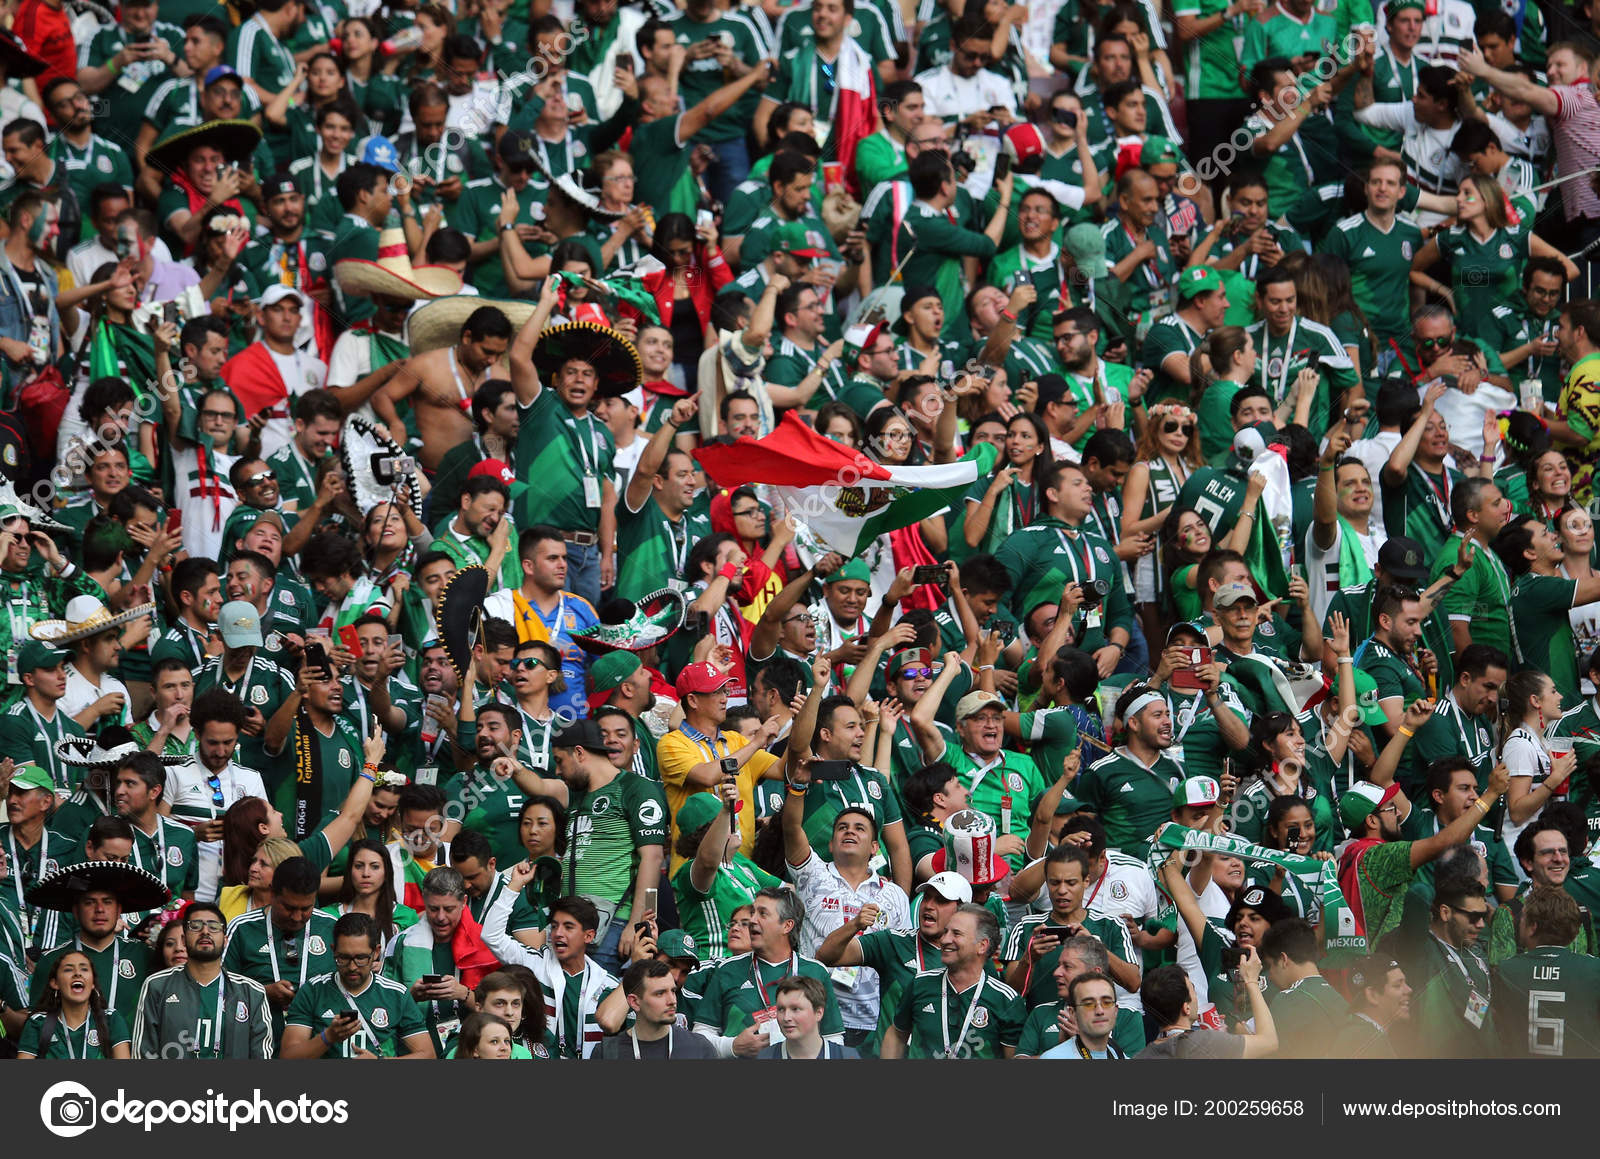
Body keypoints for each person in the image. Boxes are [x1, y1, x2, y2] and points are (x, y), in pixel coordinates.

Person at [281, 912, 435, 1059]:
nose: (352, 967)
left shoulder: (396, 994)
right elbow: (288, 1057)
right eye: (344, 958)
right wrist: (328, 1037)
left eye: (361, 958)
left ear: (376, 952)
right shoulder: (312, 991)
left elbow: (427, 1055)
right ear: (333, 950)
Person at [133, 902, 275, 1059]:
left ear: (226, 939)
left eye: (214, 927)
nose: (205, 931)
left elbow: (261, 1056)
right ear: (185, 939)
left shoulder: (252, 992)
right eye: (195, 926)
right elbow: (143, 1054)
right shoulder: (157, 985)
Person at [881, 902, 1023, 1059]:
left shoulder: (1005, 1000)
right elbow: (896, 1034)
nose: (944, 940)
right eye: (946, 932)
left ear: (982, 946)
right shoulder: (921, 984)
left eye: (956, 934)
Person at [1491, 884, 1600, 1057]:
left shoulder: (1506, 970)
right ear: (1573, 932)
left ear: (1533, 926)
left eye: (1523, 918)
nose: (1520, 923)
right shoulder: (1594, 969)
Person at [1137, 956, 1278, 1058]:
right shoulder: (1207, 1042)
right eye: (1193, 990)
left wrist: (1223, 1038)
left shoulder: (1142, 1056)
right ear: (1186, 1008)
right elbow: (1269, 1042)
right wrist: (1251, 980)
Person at [758, 975, 860, 1059]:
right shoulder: (765, 1057)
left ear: (818, 1013)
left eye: (795, 1009)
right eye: (781, 1009)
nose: (786, 1017)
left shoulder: (846, 1056)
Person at [1037, 970, 1128, 1059]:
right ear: (1073, 1013)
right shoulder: (1053, 1058)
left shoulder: (1121, 1057)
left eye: (1107, 1002)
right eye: (1088, 1004)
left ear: (1115, 1011)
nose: (1100, 1011)